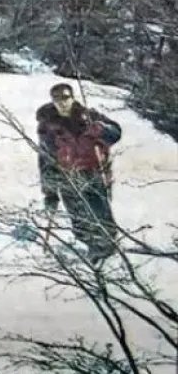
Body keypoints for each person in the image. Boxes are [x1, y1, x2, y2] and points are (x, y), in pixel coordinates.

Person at [36, 83, 122, 262]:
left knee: (100, 214)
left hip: (92, 172)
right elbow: (45, 158)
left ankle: (108, 252)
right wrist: (50, 193)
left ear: (73, 97)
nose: (62, 102)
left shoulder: (89, 116)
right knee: (79, 220)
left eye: (65, 97)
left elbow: (115, 133)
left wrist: (101, 129)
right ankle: (92, 248)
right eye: (57, 98)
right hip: (67, 175)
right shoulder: (48, 126)